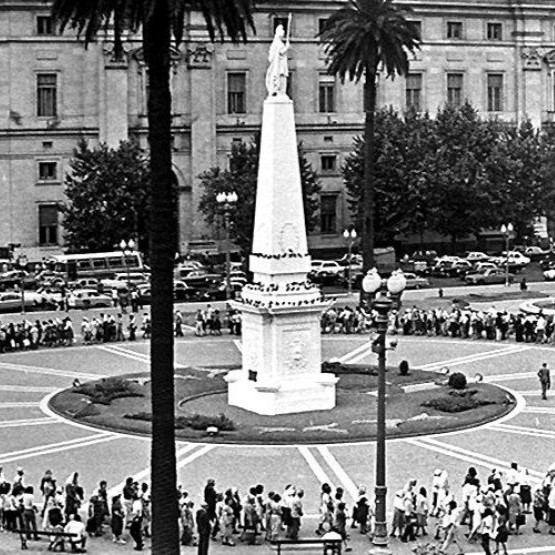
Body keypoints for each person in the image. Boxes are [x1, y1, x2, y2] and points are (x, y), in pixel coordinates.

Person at [265, 23, 290, 96]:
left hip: (281, 64)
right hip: (278, 65)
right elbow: (280, 52)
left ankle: (282, 92)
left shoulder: (279, 43)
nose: (283, 32)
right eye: (282, 30)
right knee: (280, 78)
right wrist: (287, 48)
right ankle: (278, 91)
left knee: (283, 78)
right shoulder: (277, 43)